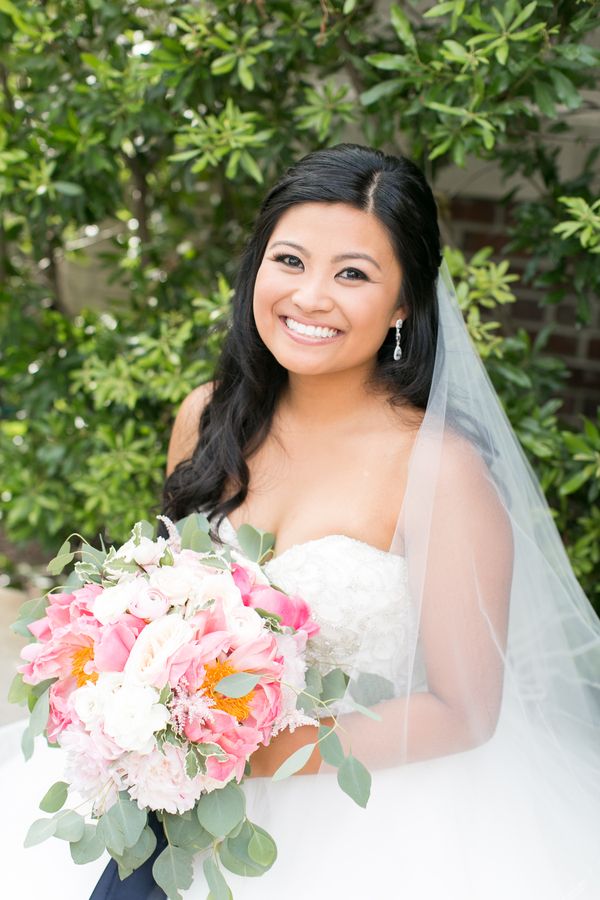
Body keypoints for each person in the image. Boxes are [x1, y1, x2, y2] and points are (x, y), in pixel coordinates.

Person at [1, 143, 599, 899]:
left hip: (362, 825)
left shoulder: (439, 469)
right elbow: (159, 608)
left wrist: (237, 751)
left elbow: (465, 711)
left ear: (405, 301)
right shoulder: (208, 417)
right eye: (290, 260)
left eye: (353, 273)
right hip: (175, 795)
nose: (311, 296)